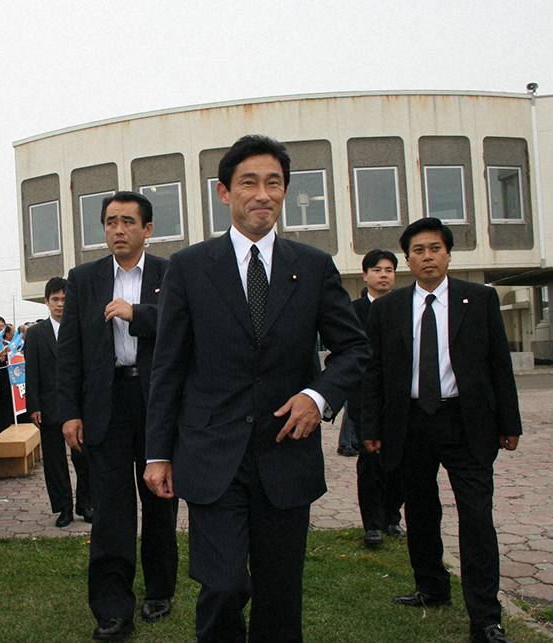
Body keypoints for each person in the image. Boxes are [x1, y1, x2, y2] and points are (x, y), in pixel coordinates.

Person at [144, 135, 369, 643]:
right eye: (249, 182)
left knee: (280, 595)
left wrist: (318, 396)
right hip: (210, 454)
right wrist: (157, 453)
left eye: (274, 183)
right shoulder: (189, 267)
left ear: (285, 192)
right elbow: (169, 369)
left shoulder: (313, 266)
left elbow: (354, 349)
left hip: (285, 453)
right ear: (224, 193)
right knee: (222, 586)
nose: (262, 194)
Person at [361, 217, 522, 643]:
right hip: (409, 422)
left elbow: (499, 365)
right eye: (417, 250)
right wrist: (372, 425)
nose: (427, 256)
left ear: (449, 254)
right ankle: (431, 586)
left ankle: (486, 616)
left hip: (466, 423)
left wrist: (510, 422)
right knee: (420, 508)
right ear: (407, 259)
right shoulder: (388, 309)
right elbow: (374, 371)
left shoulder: (480, 299)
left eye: (434, 248)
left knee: (475, 516)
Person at [59, 191, 179, 641]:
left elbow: (184, 330)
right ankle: (112, 608)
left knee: (160, 501)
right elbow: (69, 351)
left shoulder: (172, 273)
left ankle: (160, 590)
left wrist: (138, 314)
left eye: (128, 222)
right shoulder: (85, 278)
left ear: (147, 229)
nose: (118, 230)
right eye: (111, 222)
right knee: (111, 511)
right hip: (104, 406)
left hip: (157, 405)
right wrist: (69, 412)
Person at [344, 249, 405, 547]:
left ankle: (393, 517)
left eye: (390, 270)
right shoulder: (351, 311)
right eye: (378, 270)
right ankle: (373, 524)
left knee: (398, 459)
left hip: (400, 397)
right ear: (365, 274)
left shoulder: (405, 307)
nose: (384, 275)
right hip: (364, 397)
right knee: (370, 460)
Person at [25, 277, 92, 527]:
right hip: (49, 406)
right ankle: (63, 508)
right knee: (54, 462)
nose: (60, 304)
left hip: (79, 405)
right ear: (46, 301)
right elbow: (31, 372)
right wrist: (34, 407)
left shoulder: (81, 328)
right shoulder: (35, 334)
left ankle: (86, 504)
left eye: (64, 299)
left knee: (83, 457)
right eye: (55, 299)